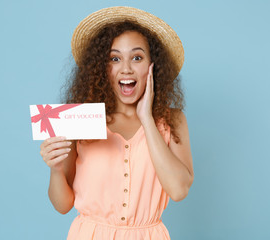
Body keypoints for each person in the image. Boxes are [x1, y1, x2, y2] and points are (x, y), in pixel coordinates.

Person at [39, 6, 194, 239]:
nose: (126, 68)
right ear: (103, 68)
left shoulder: (173, 120)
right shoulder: (79, 119)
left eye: (137, 57)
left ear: (154, 66)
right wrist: (55, 169)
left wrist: (147, 120)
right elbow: (62, 205)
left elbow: (179, 190)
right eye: (115, 58)